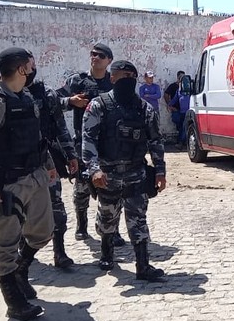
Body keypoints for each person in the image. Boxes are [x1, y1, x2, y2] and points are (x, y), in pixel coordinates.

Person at [0, 48, 57, 321]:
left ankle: (21, 269)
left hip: (35, 177)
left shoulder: (27, 97)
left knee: (43, 232)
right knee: (6, 242)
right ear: (21, 69)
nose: (33, 69)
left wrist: (49, 164)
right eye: (30, 64)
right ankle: (13, 299)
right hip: (7, 184)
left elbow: (37, 137)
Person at [81, 60, 168, 280]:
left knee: (138, 219)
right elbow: (88, 139)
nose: (128, 80)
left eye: (132, 77)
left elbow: (155, 141)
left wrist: (160, 171)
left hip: (136, 173)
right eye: (123, 76)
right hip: (107, 175)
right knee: (107, 217)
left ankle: (143, 266)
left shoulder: (144, 109)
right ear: (112, 78)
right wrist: (94, 170)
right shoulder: (99, 105)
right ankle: (106, 253)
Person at [57, 43, 124, 245]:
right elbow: (55, 101)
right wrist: (71, 101)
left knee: (112, 188)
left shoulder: (113, 82)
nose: (95, 57)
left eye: (100, 55)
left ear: (109, 60)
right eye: (93, 54)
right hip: (84, 143)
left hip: (109, 144)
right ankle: (81, 225)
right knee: (82, 187)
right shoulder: (77, 80)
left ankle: (112, 229)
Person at [27, 61, 79, 269]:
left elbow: (60, 127)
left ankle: (60, 252)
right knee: (20, 208)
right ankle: (22, 251)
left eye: (32, 65)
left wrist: (70, 155)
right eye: (26, 65)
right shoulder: (4, 96)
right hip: (17, 164)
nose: (30, 69)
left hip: (46, 160)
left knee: (55, 205)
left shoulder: (46, 93)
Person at [166, 70, 186, 145]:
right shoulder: (175, 87)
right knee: (180, 125)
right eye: (181, 77)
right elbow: (172, 97)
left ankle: (181, 142)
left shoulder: (186, 87)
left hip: (185, 111)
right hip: (176, 110)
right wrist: (170, 105)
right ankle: (181, 141)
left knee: (183, 126)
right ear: (178, 78)